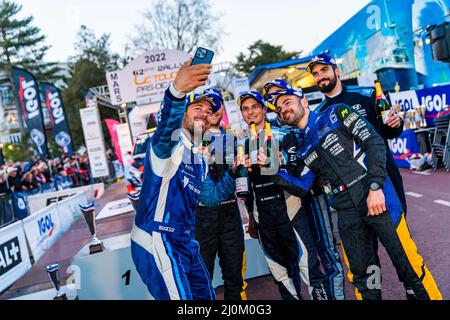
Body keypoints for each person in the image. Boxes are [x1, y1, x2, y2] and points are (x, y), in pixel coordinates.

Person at [267, 88, 442, 300]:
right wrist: (271, 170)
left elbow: (374, 142)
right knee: (365, 276)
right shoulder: (304, 148)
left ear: (303, 101)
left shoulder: (336, 112)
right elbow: (303, 185)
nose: (283, 109)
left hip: (376, 194)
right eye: (279, 108)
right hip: (346, 211)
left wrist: (376, 187)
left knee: (408, 266)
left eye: (287, 102)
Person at [307, 53, 413, 298]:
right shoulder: (318, 114)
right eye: (315, 73)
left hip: (384, 187)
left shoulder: (366, 95)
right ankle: (377, 293)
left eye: (324, 70)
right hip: (351, 201)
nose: (320, 76)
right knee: (367, 259)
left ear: (336, 71)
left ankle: (413, 290)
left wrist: (396, 124)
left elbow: (387, 130)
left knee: (402, 252)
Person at [130, 60, 236, 300]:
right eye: (198, 108)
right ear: (185, 111)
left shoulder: (200, 160)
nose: (205, 115)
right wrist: (176, 92)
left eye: (210, 112)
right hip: (157, 238)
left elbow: (210, 198)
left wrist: (234, 172)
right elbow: (167, 124)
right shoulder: (168, 145)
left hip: (186, 242)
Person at [238, 90, 329, 300]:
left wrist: (280, 160)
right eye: (245, 109)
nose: (250, 112)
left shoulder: (284, 134)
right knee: (280, 275)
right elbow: (245, 188)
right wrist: (251, 217)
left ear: (263, 109)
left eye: (254, 107)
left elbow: (299, 173)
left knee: (310, 269)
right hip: (263, 218)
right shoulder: (240, 144)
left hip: (290, 210)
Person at [262, 79, 345, 300]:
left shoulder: (308, 121)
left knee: (327, 251)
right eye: (271, 99)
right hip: (288, 202)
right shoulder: (270, 128)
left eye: (279, 95)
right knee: (301, 259)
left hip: (313, 196)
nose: (276, 101)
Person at [195, 88, 247, 300]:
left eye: (217, 104)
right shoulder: (193, 140)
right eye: (208, 106)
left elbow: (245, 176)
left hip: (230, 214)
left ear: (222, 108)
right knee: (202, 279)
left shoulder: (234, 138)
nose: (213, 110)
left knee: (234, 278)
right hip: (202, 218)